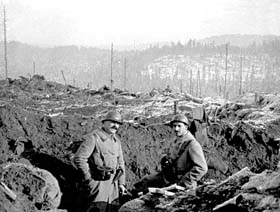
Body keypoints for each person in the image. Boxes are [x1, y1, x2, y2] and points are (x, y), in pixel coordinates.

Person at [133, 113, 208, 194]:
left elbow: (202, 168)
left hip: (184, 186)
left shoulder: (192, 144)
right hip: (170, 178)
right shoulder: (177, 140)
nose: (176, 129)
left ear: (186, 127)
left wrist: (185, 181)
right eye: (174, 126)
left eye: (179, 126)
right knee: (145, 181)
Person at [74, 110, 126, 212]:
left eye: (117, 123)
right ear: (104, 122)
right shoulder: (94, 138)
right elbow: (79, 159)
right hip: (98, 183)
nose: (115, 125)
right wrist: (89, 179)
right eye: (112, 122)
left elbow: (121, 163)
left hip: (113, 186)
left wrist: (121, 184)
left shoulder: (116, 142)